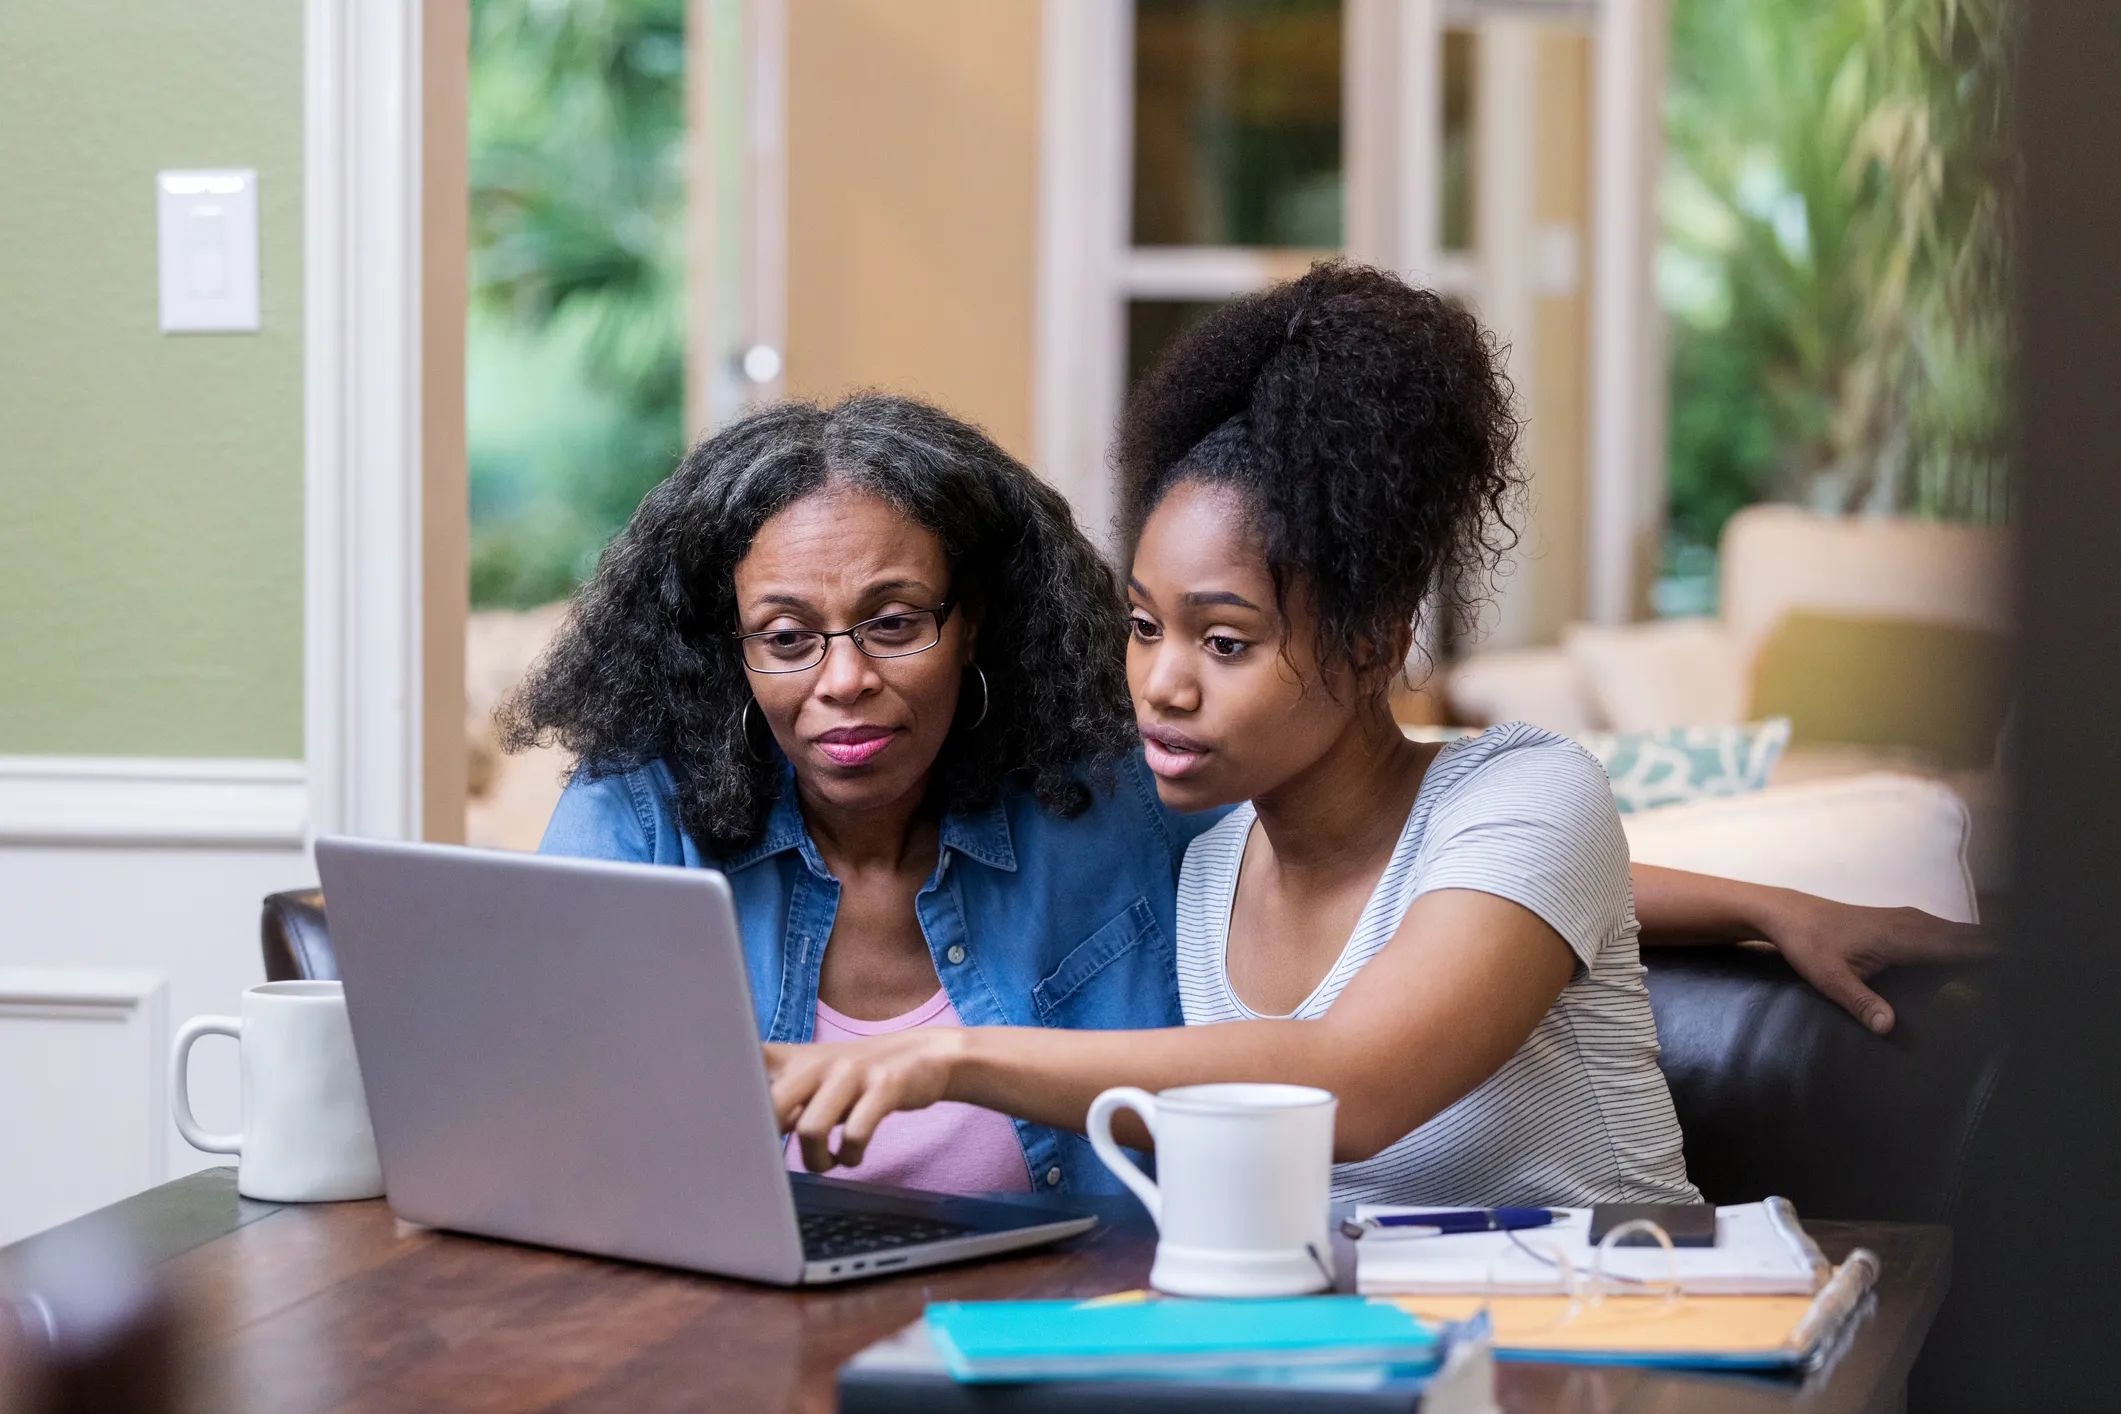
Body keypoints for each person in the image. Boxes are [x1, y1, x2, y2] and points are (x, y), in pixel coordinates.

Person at [512, 389, 1982, 1199]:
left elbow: (1416, 884)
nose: (840, 679)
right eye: (785, 638)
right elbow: (545, 1104)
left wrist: (1764, 901)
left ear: (979, 626)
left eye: (895, 622)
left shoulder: (1107, 801)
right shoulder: (644, 815)